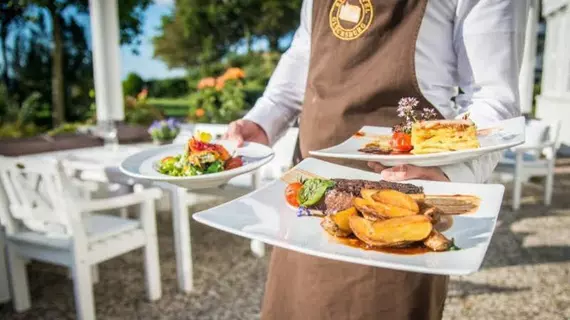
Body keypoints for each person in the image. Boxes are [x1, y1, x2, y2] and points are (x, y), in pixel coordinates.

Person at [224, 0, 529, 319]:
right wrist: (260, 124)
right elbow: (292, 81)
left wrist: (452, 172)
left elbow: (492, 99)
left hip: (401, 209)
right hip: (306, 204)